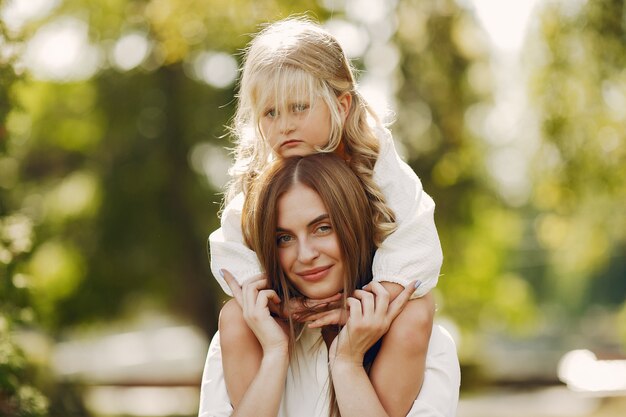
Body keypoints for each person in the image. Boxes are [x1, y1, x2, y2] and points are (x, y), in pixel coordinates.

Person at [209, 17, 443, 416]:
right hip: (293, 306)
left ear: (341, 104)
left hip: (367, 303)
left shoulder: (377, 163)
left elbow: (419, 246)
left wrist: (369, 304)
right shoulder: (259, 183)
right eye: (270, 114)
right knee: (234, 314)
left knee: (417, 309)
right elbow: (229, 254)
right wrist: (280, 305)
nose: (284, 126)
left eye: (299, 107)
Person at [199, 154, 460, 417]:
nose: (305, 254)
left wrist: (347, 363)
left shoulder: (425, 343)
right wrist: (275, 355)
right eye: (285, 238)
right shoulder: (240, 337)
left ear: (356, 226)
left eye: (323, 228)